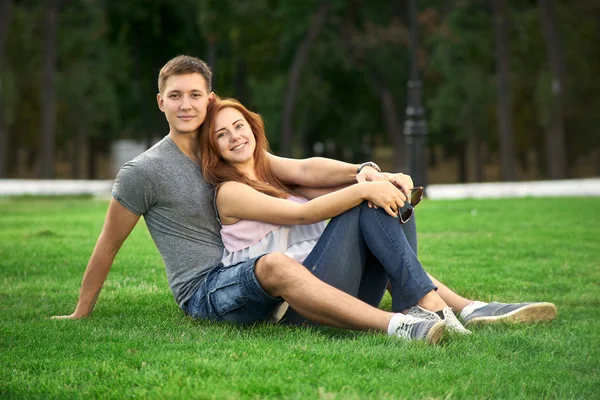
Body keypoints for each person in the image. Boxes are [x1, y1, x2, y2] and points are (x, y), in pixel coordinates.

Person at [53, 55, 556, 341]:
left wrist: (364, 171)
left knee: (371, 204)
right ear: (159, 101)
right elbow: (108, 244)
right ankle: (414, 319)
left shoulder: (229, 159)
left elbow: (301, 168)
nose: (186, 105)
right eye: (175, 96)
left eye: (195, 95)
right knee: (312, 237)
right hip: (209, 288)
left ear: (208, 98)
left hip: (266, 275)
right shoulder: (148, 171)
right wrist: (82, 311)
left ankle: (460, 308)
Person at [199, 97, 473, 337]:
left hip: (343, 294)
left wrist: (377, 177)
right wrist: (365, 188)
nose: (234, 136)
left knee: (389, 196)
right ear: (213, 148)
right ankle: (424, 303)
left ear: (252, 127)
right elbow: (302, 214)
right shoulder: (229, 192)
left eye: (238, 126)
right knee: (367, 201)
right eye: (222, 134)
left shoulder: (275, 176)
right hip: (301, 305)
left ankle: (413, 303)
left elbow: (307, 169)